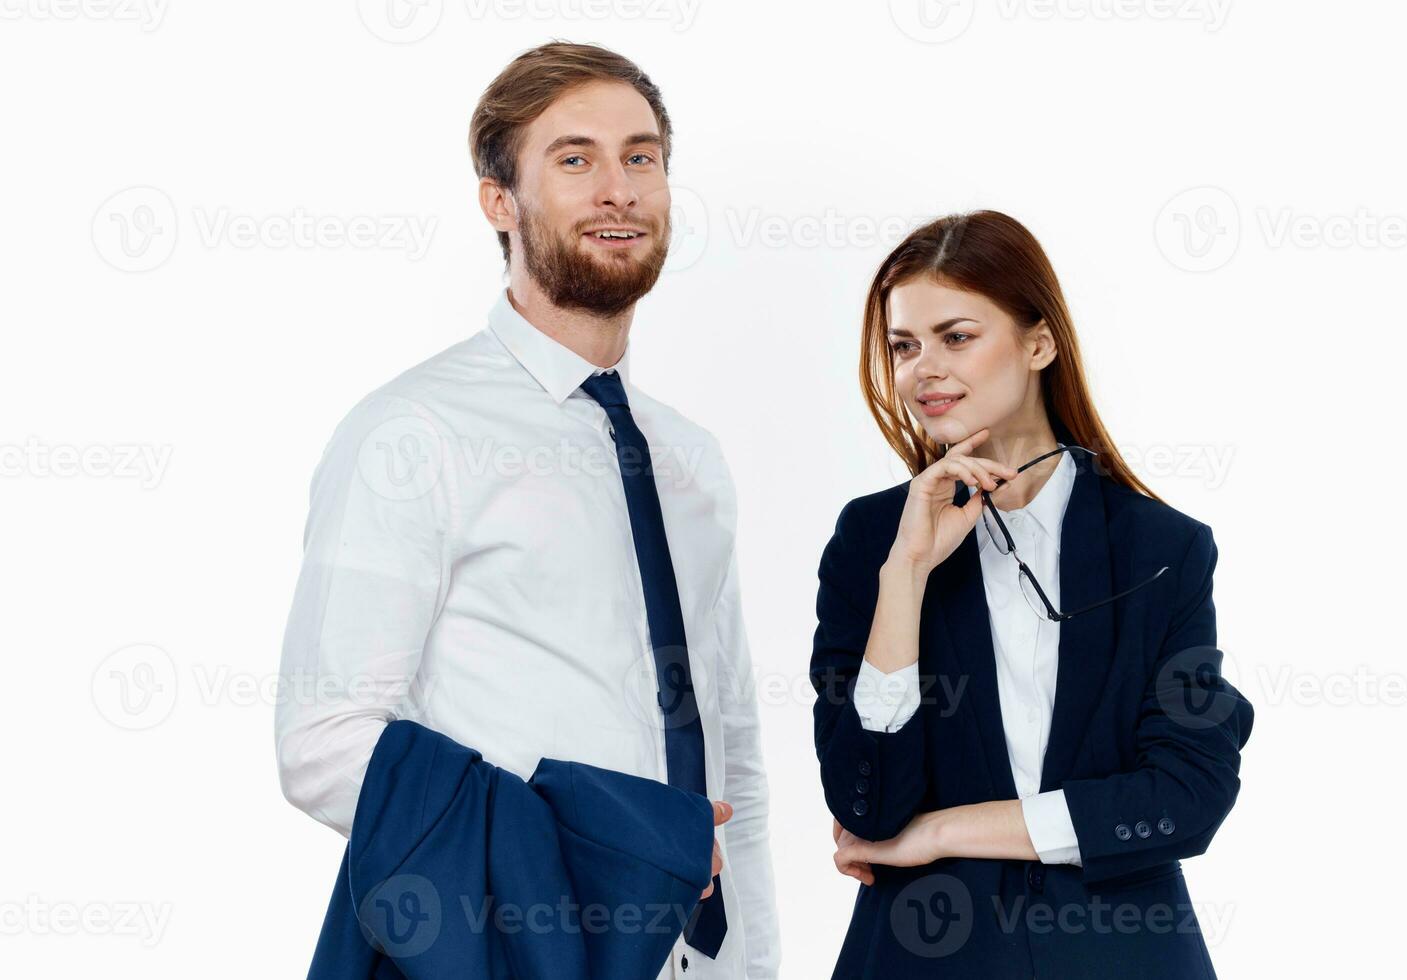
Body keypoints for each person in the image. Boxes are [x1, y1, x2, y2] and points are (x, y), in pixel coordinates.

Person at [276, 41, 779, 980]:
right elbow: (322, 741)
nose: (618, 189)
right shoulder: (411, 433)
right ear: (499, 201)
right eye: (575, 158)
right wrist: (595, 854)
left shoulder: (692, 461)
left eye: (642, 157)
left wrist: (751, 968)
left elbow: (732, 755)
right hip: (511, 951)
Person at [811, 210, 1253, 978]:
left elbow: (1186, 796)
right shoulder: (873, 540)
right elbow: (869, 809)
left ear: (1038, 343)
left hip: (1121, 956)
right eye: (904, 346)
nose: (923, 369)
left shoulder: (1163, 548)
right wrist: (905, 574)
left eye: (956, 336)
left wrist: (944, 833)